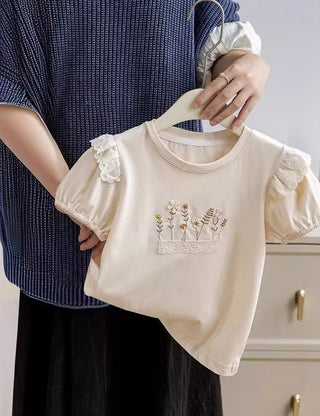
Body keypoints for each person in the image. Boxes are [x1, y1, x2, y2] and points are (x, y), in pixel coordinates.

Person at [0, 0, 270, 414]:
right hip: (70, 238)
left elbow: (212, 33)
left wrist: (247, 66)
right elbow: (6, 88)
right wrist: (86, 204)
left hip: (168, 225)